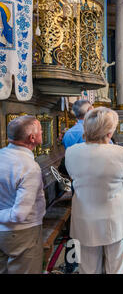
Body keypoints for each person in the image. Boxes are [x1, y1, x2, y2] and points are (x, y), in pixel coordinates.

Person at [65, 107, 123, 274]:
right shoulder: (121, 153)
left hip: (83, 215)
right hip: (114, 216)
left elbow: (73, 176)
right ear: (109, 132)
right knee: (116, 266)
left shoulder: (71, 152)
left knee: (88, 267)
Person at [0, 115, 45, 274]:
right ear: (32, 138)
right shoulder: (29, 167)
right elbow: (19, 214)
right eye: (40, 130)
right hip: (21, 233)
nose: (42, 132)